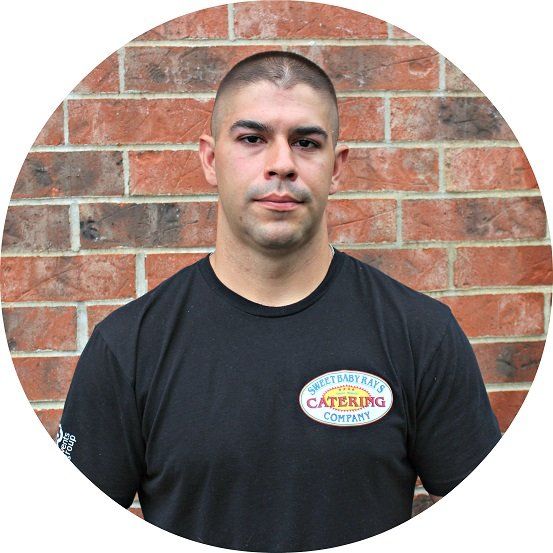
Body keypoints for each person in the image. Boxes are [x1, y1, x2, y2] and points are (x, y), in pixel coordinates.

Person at [57, 51, 501, 552]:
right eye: (252, 139)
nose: (282, 164)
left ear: (336, 167)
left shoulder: (422, 333)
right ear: (210, 159)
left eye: (306, 143)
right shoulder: (129, 347)